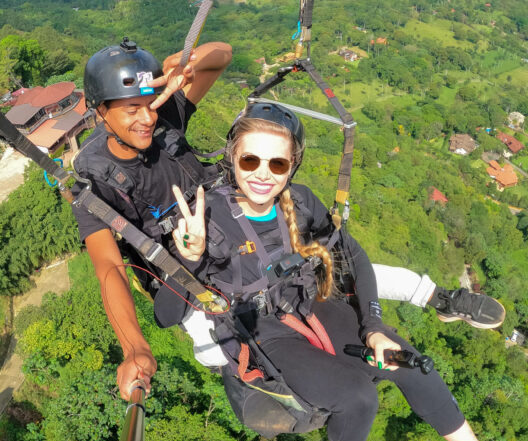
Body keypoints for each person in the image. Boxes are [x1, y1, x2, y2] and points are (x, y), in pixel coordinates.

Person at [71, 38, 505, 402]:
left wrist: (189, 64)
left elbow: (222, 56)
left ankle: (432, 297)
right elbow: (108, 265)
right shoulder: (95, 178)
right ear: (99, 111)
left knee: (321, 257)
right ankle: (291, 374)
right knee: (219, 344)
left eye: (150, 103)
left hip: (230, 213)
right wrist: (135, 347)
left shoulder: (161, 117)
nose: (146, 117)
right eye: (130, 109)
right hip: (186, 266)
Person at [166, 101, 527, 441]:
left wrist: (372, 326)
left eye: (277, 164)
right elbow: (166, 315)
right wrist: (188, 258)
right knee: (358, 396)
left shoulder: (300, 202)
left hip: (309, 302)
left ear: (293, 166)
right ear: (233, 156)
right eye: (250, 159)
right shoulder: (207, 216)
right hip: (262, 328)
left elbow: (354, 257)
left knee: (407, 362)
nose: (263, 174)